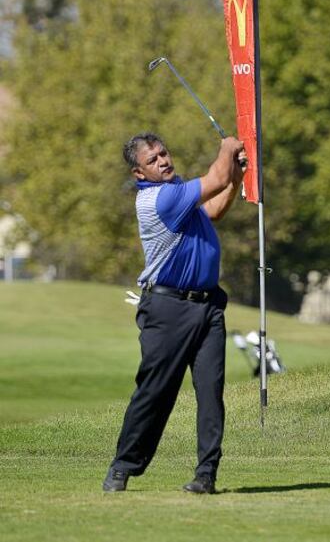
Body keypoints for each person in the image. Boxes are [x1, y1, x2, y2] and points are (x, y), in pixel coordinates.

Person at [103, 132, 247, 494]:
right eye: (152, 160)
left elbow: (213, 209)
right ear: (139, 173)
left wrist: (239, 177)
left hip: (209, 305)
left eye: (163, 153)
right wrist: (229, 148)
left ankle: (206, 475)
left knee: (210, 391)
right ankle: (123, 466)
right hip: (167, 308)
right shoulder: (159, 199)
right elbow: (216, 178)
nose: (163, 161)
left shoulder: (178, 188)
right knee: (155, 391)